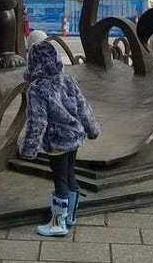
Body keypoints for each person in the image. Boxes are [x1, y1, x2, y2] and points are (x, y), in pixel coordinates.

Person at [18, 41, 100, 237]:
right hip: (74, 137)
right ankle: (70, 216)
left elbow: (37, 122)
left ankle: (58, 223)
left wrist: (29, 148)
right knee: (70, 175)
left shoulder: (36, 88)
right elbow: (83, 106)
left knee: (60, 180)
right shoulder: (67, 79)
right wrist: (92, 129)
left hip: (57, 141)